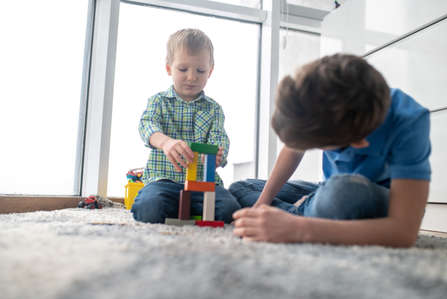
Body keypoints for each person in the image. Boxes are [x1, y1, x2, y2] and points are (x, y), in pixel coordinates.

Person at [230, 54, 431, 247]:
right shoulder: (326, 95)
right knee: (240, 189)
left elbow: (404, 232)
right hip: (327, 188)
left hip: (374, 197)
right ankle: (305, 209)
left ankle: (299, 213)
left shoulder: (409, 122)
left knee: (344, 192)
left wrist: (297, 229)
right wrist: (262, 204)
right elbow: (293, 148)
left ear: (358, 143)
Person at [131, 28, 240, 224]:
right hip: (163, 182)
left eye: (200, 71)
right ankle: (177, 209)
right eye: (183, 69)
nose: (192, 77)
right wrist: (165, 142)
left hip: (204, 185)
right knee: (149, 207)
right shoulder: (159, 101)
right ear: (168, 69)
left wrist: (218, 154)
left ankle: (186, 210)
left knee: (229, 209)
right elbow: (147, 125)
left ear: (210, 72)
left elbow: (219, 138)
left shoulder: (214, 109)